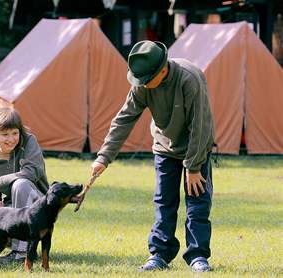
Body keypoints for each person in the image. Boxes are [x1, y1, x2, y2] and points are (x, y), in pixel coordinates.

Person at [91, 40, 215, 272]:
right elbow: (124, 119)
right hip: (164, 148)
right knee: (163, 202)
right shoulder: (142, 83)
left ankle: (198, 256)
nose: (142, 85)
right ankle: (159, 254)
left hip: (196, 148)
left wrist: (194, 166)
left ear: (163, 70)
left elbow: (200, 126)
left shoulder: (189, 79)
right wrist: (103, 157)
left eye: (146, 81)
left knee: (197, 203)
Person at [0, 107, 49, 264]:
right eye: (5, 134)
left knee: (21, 185)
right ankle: (17, 244)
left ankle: (22, 252)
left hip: (39, 210)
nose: (11, 139)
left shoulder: (29, 142)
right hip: (14, 217)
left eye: (15, 133)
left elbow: (31, 172)